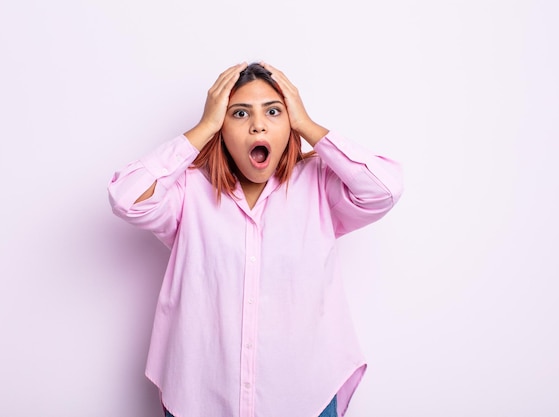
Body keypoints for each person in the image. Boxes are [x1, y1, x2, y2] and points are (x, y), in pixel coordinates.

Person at [108, 62, 404, 417]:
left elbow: (385, 189)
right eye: (240, 113)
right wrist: (203, 128)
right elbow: (126, 197)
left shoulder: (320, 185)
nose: (258, 124)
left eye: (274, 111)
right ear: (221, 127)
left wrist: (308, 125)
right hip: (200, 398)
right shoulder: (187, 190)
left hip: (305, 397)